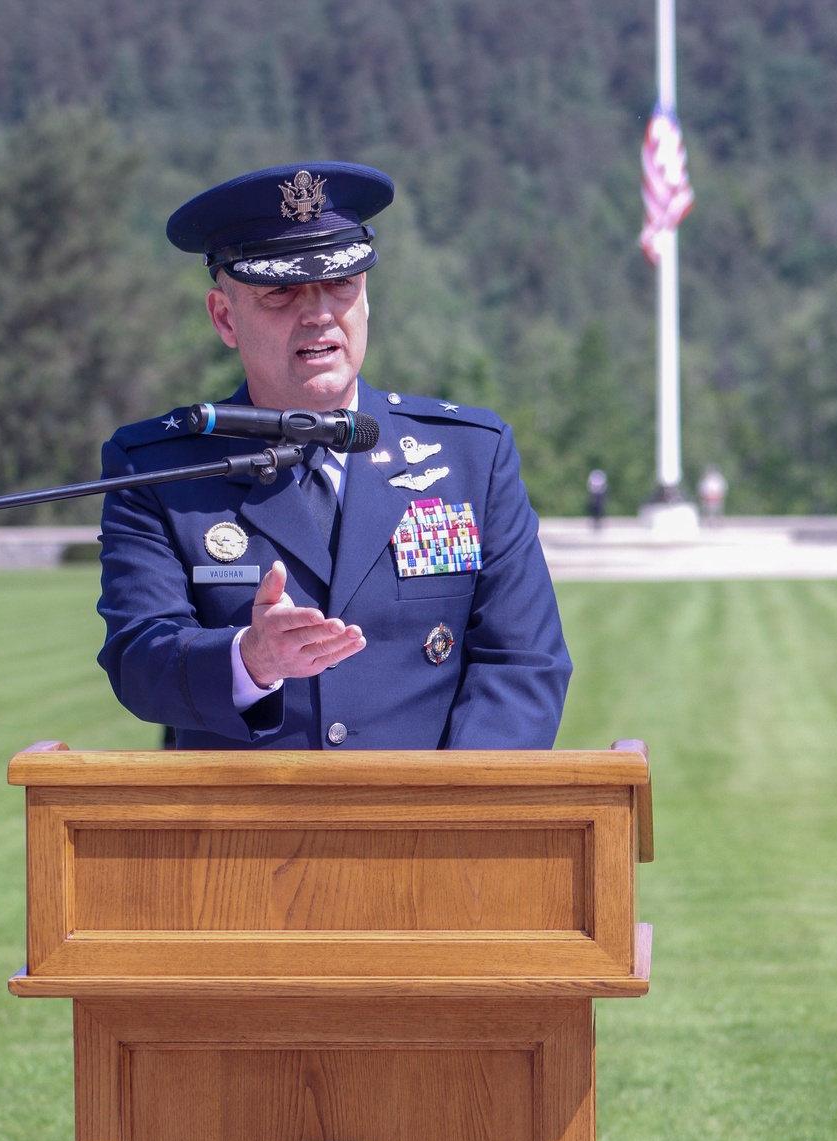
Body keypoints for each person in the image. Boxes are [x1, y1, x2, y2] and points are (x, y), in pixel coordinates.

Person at [97, 162, 571, 750]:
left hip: (430, 830)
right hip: (245, 837)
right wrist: (251, 658)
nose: (319, 312)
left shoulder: (473, 456)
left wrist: (451, 813)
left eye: (340, 284)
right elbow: (140, 658)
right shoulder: (161, 468)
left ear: (366, 297)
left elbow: (523, 663)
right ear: (225, 317)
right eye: (281, 291)